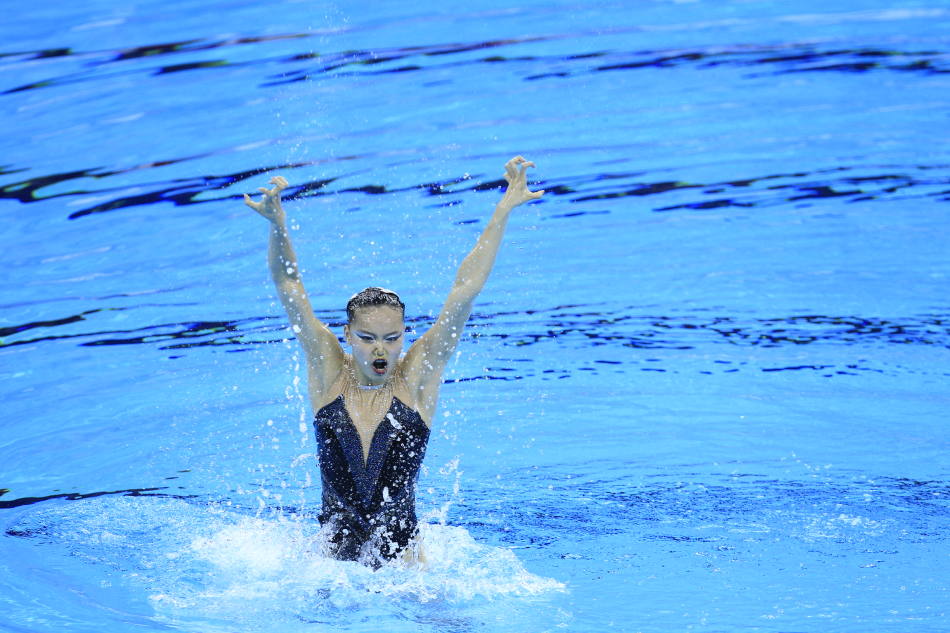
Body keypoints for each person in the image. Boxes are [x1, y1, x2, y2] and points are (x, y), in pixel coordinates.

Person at [244, 156, 544, 567]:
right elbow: (290, 286)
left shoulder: (417, 378)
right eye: (367, 339)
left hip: (406, 570)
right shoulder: (329, 372)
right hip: (328, 566)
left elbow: (463, 291)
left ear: (405, 335)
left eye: (392, 338)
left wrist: (502, 209)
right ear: (347, 336)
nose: (380, 350)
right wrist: (277, 226)